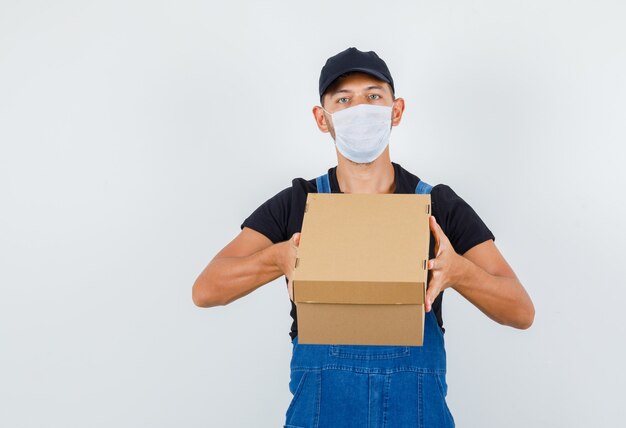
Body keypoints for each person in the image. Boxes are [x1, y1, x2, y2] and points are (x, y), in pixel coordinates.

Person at [192, 47, 535, 427]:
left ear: (396, 110)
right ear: (322, 119)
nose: (360, 109)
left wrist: (460, 273)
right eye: (344, 100)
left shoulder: (438, 206)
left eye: (373, 96)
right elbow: (206, 290)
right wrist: (276, 259)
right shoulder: (298, 204)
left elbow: (521, 311)